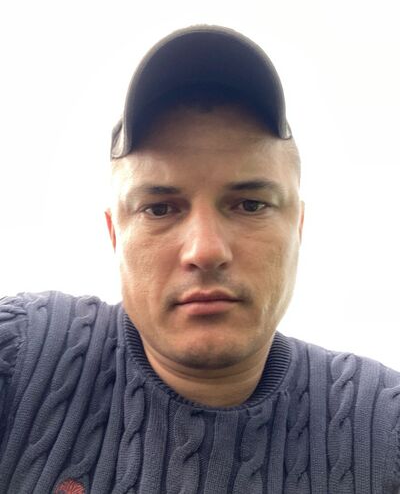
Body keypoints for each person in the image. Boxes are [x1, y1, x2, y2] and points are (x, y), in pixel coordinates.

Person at [0, 25, 399, 494]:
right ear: (114, 234)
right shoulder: (21, 354)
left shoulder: (385, 426)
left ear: (298, 226)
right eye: (159, 209)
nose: (205, 250)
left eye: (250, 204)